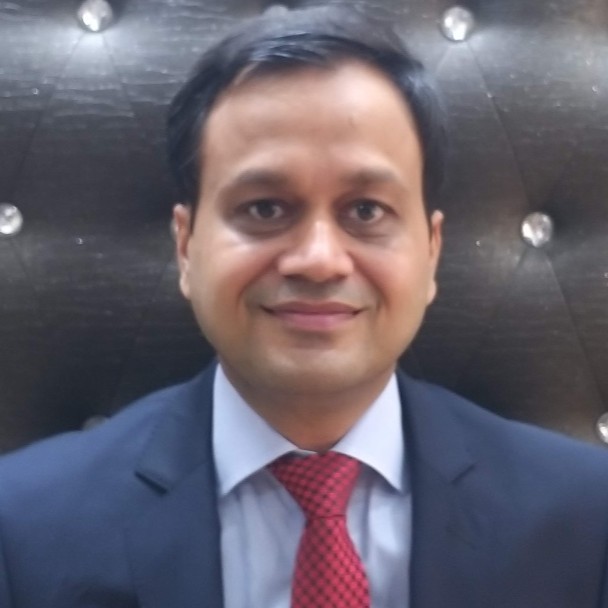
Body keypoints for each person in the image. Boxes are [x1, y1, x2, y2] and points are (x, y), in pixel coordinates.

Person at [1, 6, 608, 608]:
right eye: (265, 208)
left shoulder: (586, 518)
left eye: (366, 211)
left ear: (431, 251)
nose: (319, 261)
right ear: (186, 248)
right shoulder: (22, 527)